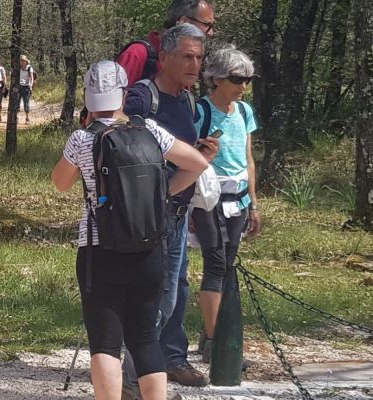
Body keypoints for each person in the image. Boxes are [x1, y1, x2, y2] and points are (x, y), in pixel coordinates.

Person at [53, 60, 214, 400]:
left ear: (88, 97)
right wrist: (163, 192)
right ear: (124, 94)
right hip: (148, 248)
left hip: (99, 252)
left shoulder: (82, 138)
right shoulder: (151, 131)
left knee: (106, 343)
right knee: (145, 338)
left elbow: (60, 183)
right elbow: (198, 163)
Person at [121, 23, 209, 389]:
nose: (195, 65)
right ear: (166, 58)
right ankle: (131, 385)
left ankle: (141, 381)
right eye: (187, 56)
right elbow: (123, 146)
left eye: (200, 58)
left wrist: (200, 154)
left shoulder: (188, 100)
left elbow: (182, 157)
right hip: (148, 218)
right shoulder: (143, 98)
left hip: (177, 216)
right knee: (149, 304)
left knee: (167, 304)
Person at [190, 46, 262, 356]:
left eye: (248, 79)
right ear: (216, 78)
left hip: (239, 199)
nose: (243, 86)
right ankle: (216, 340)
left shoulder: (245, 112)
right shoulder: (200, 111)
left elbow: (249, 159)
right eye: (236, 79)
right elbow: (186, 154)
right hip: (208, 197)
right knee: (216, 264)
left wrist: (254, 205)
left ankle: (212, 336)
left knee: (227, 264)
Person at [116, 0, 216, 84]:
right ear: (185, 22)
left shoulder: (187, 59)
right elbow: (116, 104)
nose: (211, 33)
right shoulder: (137, 54)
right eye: (207, 25)